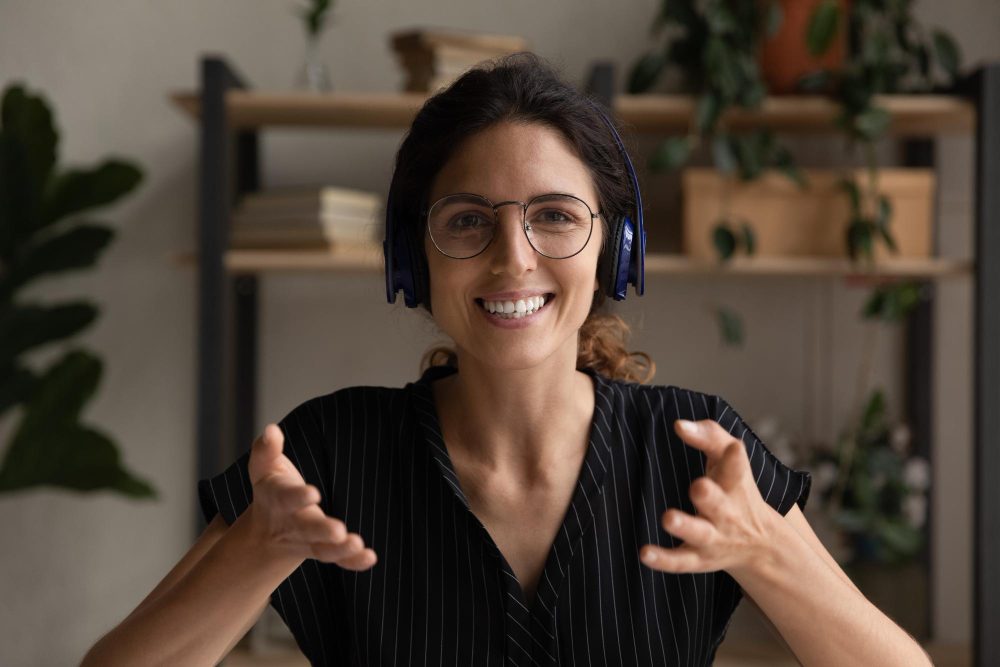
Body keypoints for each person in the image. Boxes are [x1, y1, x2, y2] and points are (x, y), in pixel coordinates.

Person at [82, 53, 933, 667]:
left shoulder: (697, 453)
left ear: (617, 250)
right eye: (466, 220)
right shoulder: (328, 456)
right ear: (413, 259)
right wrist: (253, 553)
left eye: (557, 215)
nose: (513, 257)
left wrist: (766, 553)